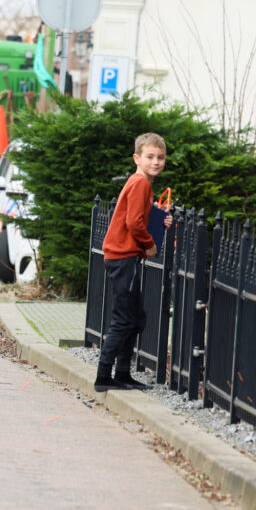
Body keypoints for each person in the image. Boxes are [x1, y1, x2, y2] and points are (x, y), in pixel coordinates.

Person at [96, 132, 167, 392]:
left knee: (136, 318)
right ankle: (103, 376)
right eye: (150, 157)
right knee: (124, 319)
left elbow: (140, 216)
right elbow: (133, 223)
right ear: (137, 158)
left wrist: (162, 220)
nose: (156, 162)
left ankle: (123, 374)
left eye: (160, 157)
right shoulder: (141, 183)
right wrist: (149, 245)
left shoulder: (140, 184)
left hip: (124, 256)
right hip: (122, 256)